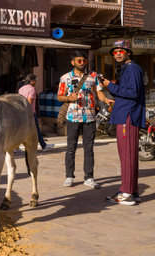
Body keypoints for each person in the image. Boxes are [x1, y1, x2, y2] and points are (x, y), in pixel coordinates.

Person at [57, 50, 114, 189]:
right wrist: (69, 98)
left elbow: (99, 93)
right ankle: (69, 176)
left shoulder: (93, 76)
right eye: (79, 61)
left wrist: (105, 99)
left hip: (90, 116)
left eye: (84, 61)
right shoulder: (65, 78)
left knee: (89, 148)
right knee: (71, 148)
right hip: (72, 117)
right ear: (73, 62)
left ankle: (89, 177)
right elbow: (59, 96)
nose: (82, 63)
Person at [101, 40, 146, 205]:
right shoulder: (127, 69)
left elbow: (133, 92)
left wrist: (110, 86)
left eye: (121, 51)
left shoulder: (132, 68)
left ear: (128, 52)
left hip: (128, 116)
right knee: (128, 154)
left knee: (127, 154)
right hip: (125, 113)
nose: (118, 54)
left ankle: (127, 193)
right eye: (115, 52)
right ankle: (131, 190)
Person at [18, 74, 55, 152]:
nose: (35, 82)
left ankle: (16, 147)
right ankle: (44, 146)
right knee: (36, 130)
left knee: (20, 129)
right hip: (30, 112)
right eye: (34, 80)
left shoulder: (21, 89)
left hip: (21, 112)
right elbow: (29, 101)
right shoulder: (32, 89)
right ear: (31, 81)